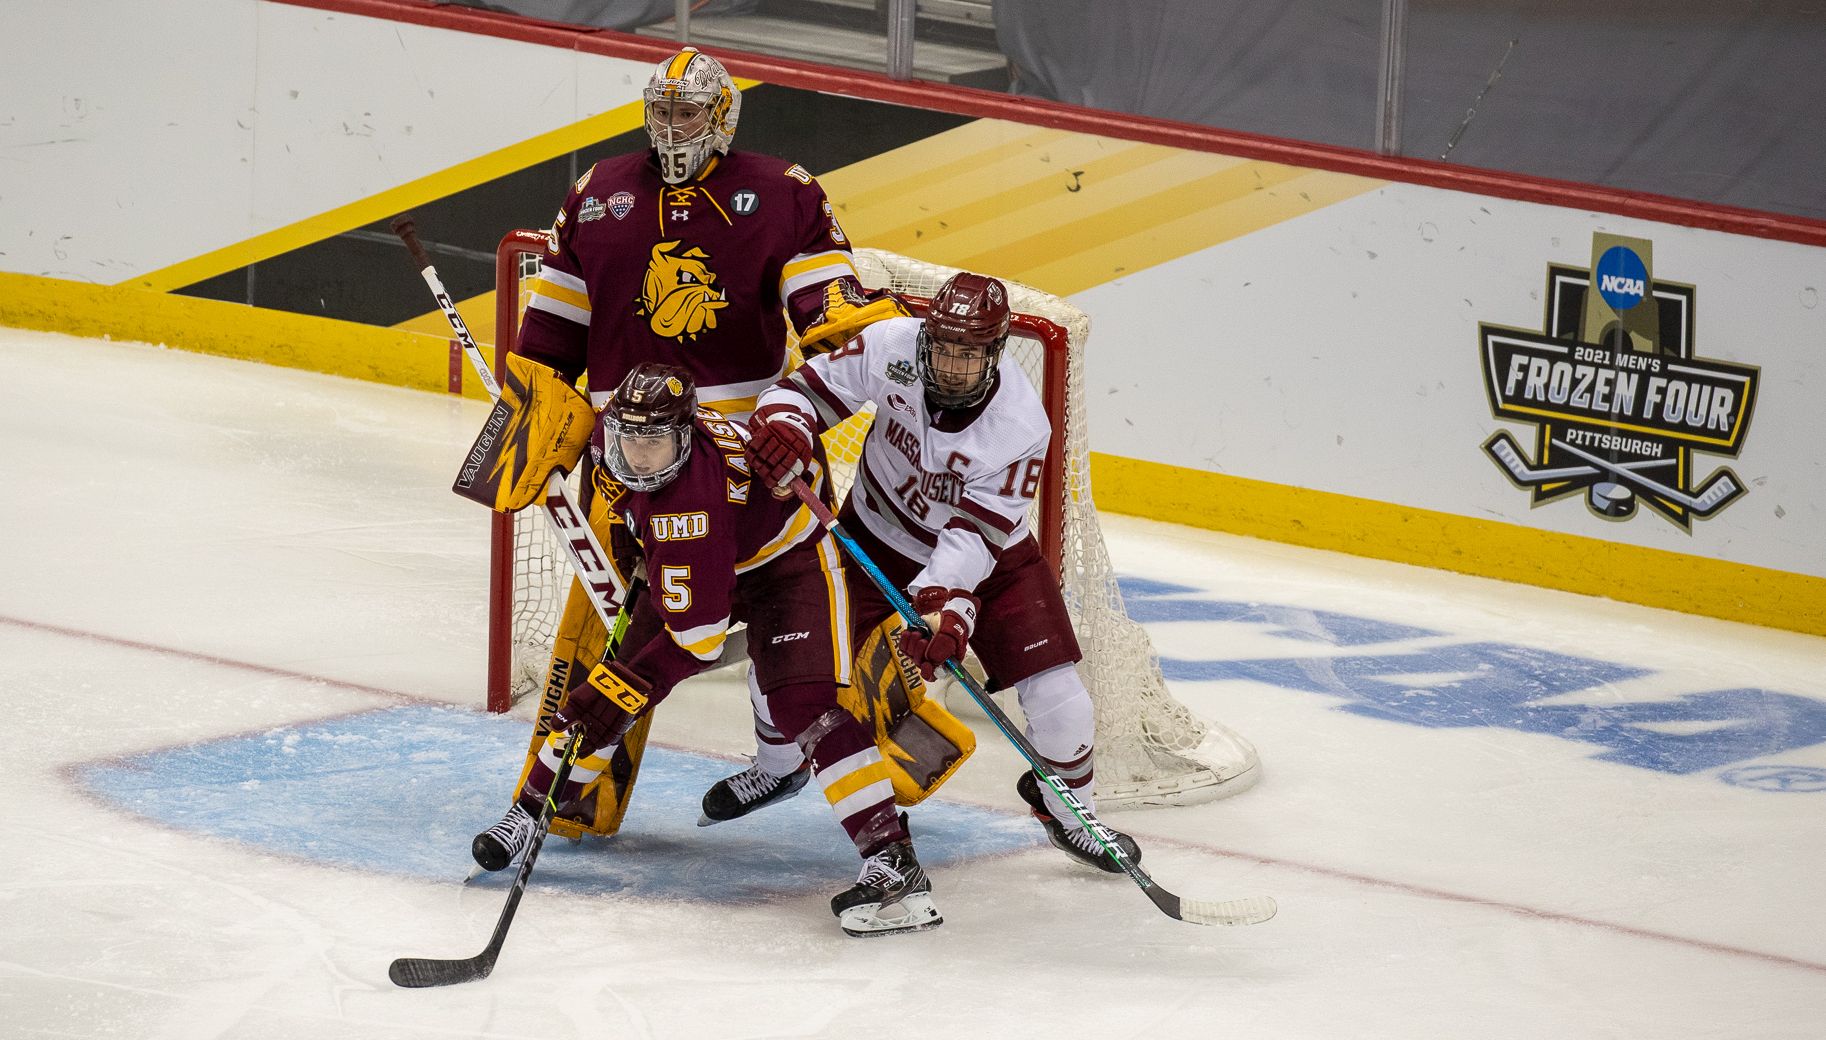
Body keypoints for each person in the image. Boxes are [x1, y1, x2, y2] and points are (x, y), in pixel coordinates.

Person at [503, 44, 906, 844]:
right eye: (662, 111)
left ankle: (826, 765)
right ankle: (568, 805)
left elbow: (831, 316)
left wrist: (861, 342)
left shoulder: (780, 193)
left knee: (787, 631)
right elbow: (550, 341)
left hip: (753, 468)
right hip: (629, 470)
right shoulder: (598, 194)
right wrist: (527, 429)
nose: (671, 127)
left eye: (687, 113)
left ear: (722, 116)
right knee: (619, 630)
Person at [472, 363, 942, 937]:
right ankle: (529, 812)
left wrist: (615, 691)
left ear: (686, 434)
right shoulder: (614, 433)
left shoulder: (688, 508)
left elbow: (698, 642)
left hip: (784, 565)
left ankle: (893, 861)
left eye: (656, 443)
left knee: (800, 707)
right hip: (716, 543)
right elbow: (611, 470)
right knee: (613, 689)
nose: (639, 456)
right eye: (631, 440)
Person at [711, 272, 1143, 872]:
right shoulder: (891, 347)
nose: (952, 365)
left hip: (992, 558)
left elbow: (972, 537)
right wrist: (787, 426)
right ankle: (778, 769)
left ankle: (1073, 814)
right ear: (926, 341)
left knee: (1059, 695)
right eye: (943, 348)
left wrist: (946, 605)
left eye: (968, 354)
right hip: (872, 536)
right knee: (779, 658)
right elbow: (805, 390)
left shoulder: (1020, 425)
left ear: (995, 352)